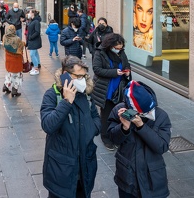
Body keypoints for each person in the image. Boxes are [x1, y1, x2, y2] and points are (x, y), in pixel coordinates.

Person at [40, 55, 101, 198]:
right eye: (78, 76)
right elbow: (48, 125)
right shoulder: (52, 95)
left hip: (85, 166)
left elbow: (96, 119)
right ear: (65, 75)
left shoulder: (86, 95)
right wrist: (66, 102)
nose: (82, 81)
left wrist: (91, 130)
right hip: (61, 169)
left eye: (84, 77)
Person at [107, 80, 171, 198]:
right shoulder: (119, 110)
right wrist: (124, 128)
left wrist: (141, 126)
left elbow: (161, 146)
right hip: (127, 178)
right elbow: (112, 139)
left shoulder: (161, 116)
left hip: (153, 180)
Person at [91, 33, 132, 150]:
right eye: (116, 48)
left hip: (120, 88)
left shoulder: (121, 53)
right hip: (106, 88)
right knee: (106, 114)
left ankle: (117, 135)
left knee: (120, 112)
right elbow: (97, 69)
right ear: (110, 46)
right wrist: (114, 72)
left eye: (120, 48)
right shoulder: (100, 53)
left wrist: (128, 71)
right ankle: (105, 137)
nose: (118, 50)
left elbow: (127, 64)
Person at [2, 24, 25, 97]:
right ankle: (14, 90)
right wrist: (24, 43)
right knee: (17, 76)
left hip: (8, 60)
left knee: (9, 74)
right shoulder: (17, 39)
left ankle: (5, 86)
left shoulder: (4, 37)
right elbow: (20, 48)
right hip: (16, 61)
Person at [26, 9, 42, 76]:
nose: (28, 13)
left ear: (33, 14)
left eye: (29, 12)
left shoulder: (36, 21)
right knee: (35, 53)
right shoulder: (33, 21)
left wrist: (31, 37)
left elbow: (37, 32)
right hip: (33, 40)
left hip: (34, 40)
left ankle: (36, 68)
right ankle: (37, 64)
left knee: (32, 54)